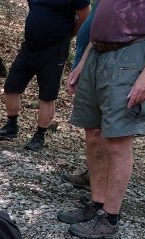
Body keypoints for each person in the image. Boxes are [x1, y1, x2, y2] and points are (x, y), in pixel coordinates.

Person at [58, 0, 145, 239]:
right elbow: (100, 19)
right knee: (93, 133)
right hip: (97, 53)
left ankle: (109, 218)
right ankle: (97, 205)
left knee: (117, 140)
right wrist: (83, 62)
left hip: (131, 54)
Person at [0, 0, 90, 151]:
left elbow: (85, 16)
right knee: (11, 86)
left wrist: (67, 34)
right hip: (29, 46)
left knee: (47, 95)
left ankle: (39, 135)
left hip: (55, 50)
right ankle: (11, 126)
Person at [60, 0, 98, 190]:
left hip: (107, 63)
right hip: (88, 60)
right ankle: (92, 177)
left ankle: (103, 193)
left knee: (105, 132)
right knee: (92, 130)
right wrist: (80, 64)